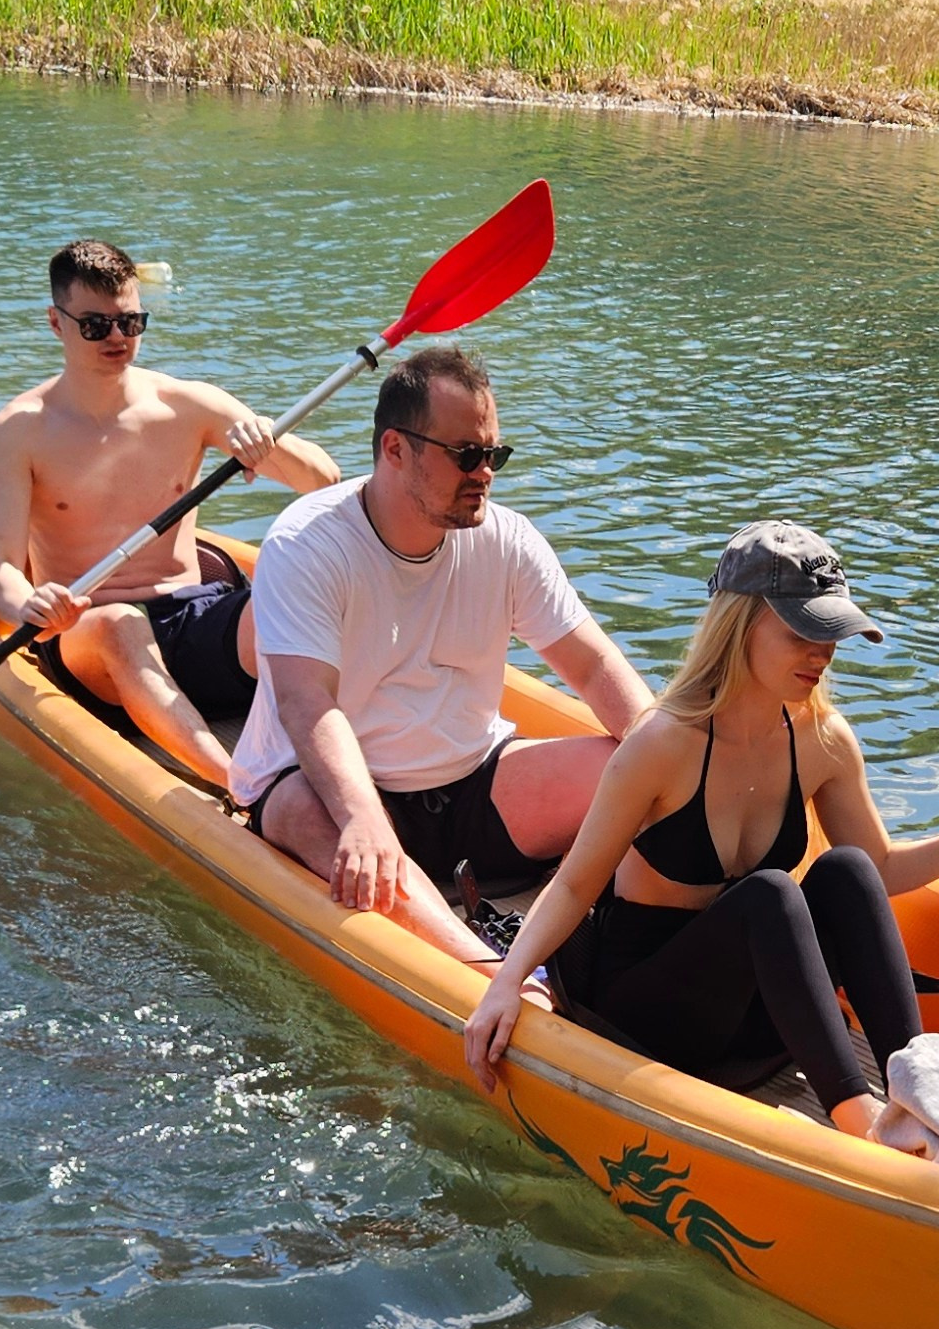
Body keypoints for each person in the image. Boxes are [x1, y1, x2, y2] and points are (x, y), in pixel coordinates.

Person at [464, 522, 939, 1142]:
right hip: (649, 1014)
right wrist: (505, 984)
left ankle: (920, 1087)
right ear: (741, 624)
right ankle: (864, 1132)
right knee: (771, 895)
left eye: (831, 634)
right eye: (804, 632)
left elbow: (881, 872)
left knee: (846, 870)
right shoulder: (662, 744)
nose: (823, 653)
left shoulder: (823, 739)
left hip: (753, 1016)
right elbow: (571, 887)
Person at [233, 339, 653, 977]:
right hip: (345, 795)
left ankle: (638, 943)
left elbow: (592, 667)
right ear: (395, 449)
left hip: (474, 782)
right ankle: (491, 974)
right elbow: (306, 701)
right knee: (296, 810)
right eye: (466, 455)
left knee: (637, 769)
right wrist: (364, 822)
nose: (484, 472)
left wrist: (670, 761)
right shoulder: (306, 542)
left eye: (493, 455)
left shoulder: (507, 539)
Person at [0, 236, 339, 790]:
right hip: (87, 634)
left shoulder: (188, 405)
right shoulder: (17, 432)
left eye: (130, 322)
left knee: (300, 594)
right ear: (56, 323)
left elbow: (323, 482)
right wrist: (29, 601)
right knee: (122, 624)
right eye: (96, 326)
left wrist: (269, 441)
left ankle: (374, 758)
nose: (117, 338)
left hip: (195, 618)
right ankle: (240, 787)